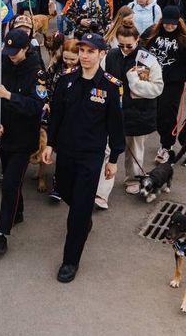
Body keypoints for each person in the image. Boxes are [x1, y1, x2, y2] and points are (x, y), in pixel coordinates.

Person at [42, 33, 124, 282]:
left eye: (90, 51)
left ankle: (70, 260)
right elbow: (56, 115)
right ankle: (83, 213)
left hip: (91, 155)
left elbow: (116, 126)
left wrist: (113, 160)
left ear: (101, 54)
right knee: (67, 191)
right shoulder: (67, 80)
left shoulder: (111, 86)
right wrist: (50, 144)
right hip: (66, 151)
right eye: (82, 51)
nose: (85, 56)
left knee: (78, 211)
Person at [0, 29, 42, 254]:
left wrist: (10, 97)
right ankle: (18, 211)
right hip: (3, 137)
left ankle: (1, 234)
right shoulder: (1, 69)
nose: (10, 56)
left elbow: (37, 107)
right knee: (12, 181)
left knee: (9, 184)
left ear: (26, 49)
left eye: (15, 52)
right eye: (8, 52)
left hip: (23, 139)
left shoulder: (37, 73)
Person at [99, 24, 163, 198]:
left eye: (129, 46)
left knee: (134, 149)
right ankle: (101, 189)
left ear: (137, 40)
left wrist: (134, 82)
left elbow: (157, 89)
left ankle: (134, 179)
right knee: (105, 148)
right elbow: (101, 78)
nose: (125, 49)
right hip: (113, 111)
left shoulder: (147, 60)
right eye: (121, 45)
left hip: (139, 113)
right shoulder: (111, 55)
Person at [141, 7, 186, 163]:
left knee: (166, 115)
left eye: (172, 24)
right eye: (166, 23)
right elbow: (140, 49)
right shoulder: (152, 33)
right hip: (149, 79)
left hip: (171, 83)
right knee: (149, 113)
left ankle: (166, 146)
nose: (169, 26)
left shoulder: (185, 39)